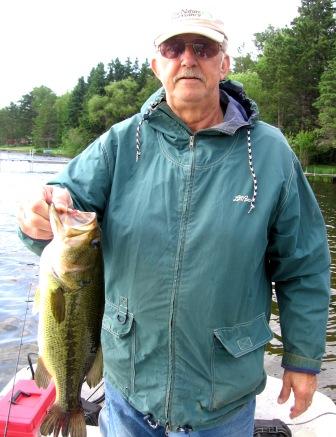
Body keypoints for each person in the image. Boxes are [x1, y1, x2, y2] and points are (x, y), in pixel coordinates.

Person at [18, 8, 331, 437]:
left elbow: (304, 265)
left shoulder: (272, 154)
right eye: (174, 48)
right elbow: (61, 203)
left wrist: (302, 359)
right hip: (129, 389)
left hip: (222, 398)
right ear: (156, 65)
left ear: (224, 64)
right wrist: (35, 215)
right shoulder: (120, 142)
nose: (188, 58)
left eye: (203, 48)